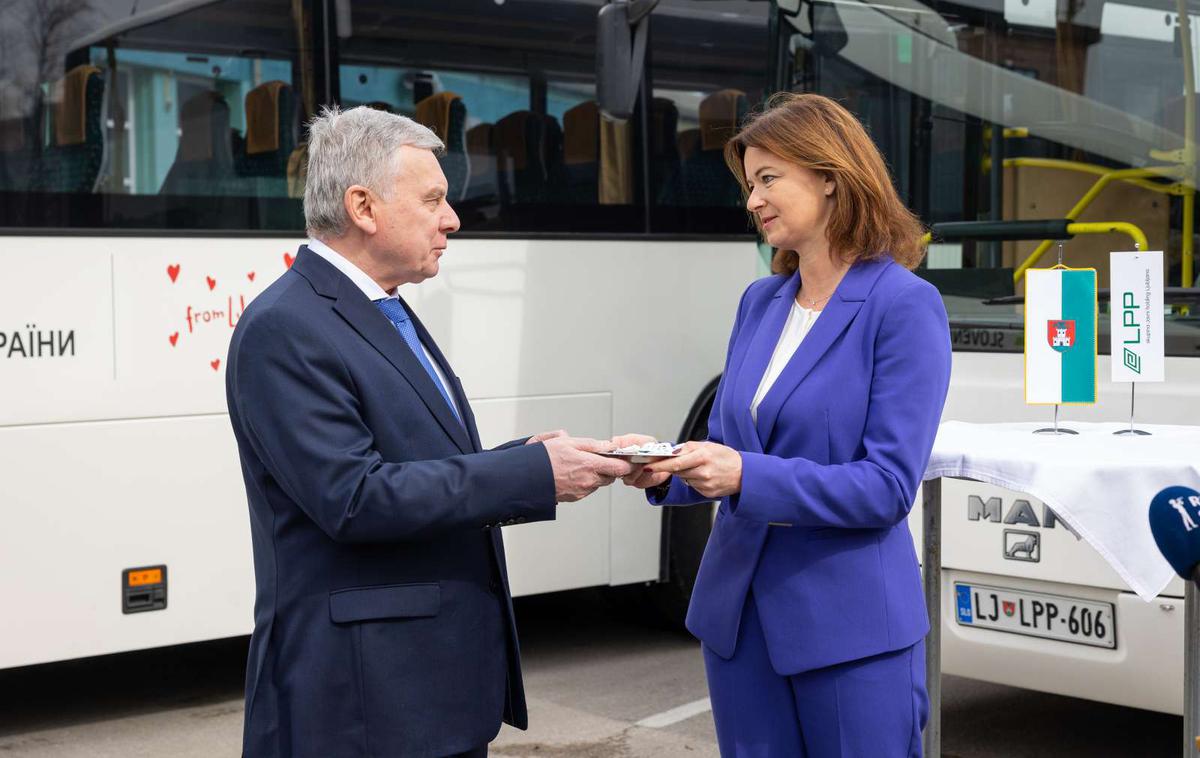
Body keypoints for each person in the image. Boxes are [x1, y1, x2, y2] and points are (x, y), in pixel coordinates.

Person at [226, 105, 633, 758]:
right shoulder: (287, 327)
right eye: (434, 199)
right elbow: (354, 498)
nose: (453, 219)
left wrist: (534, 460)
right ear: (363, 206)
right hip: (366, 707)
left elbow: (414, 463)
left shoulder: (381, 307)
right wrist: (529, 477)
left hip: (418, 694)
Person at [620, 93, 952, 756]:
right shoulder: (760, 301)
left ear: (831, 175)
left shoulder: (904, 306)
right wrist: (667, 467)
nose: (753, 201)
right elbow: (731, 448)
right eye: (749, 184)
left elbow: (886, 487)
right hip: (737, 621)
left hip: (849, 629)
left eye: (769, 179)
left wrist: (744, 474)